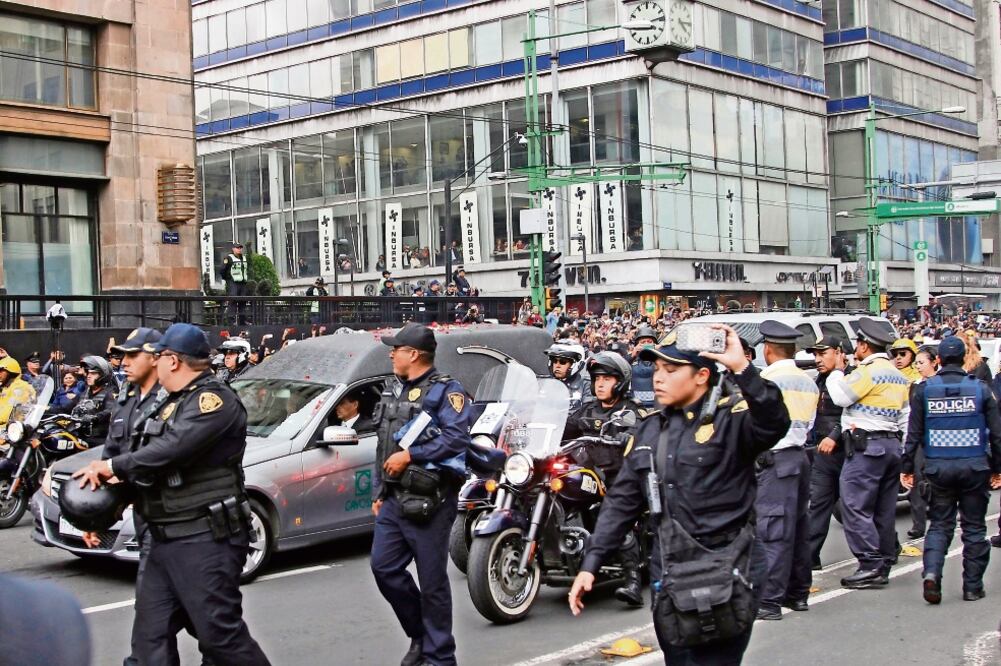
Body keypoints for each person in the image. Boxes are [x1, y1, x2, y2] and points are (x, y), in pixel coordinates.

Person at [569, 324, 791, 664]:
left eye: (671, 370)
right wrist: (592, 562)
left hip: (726, 567)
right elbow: (623, 501)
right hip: (670, 572)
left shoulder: (731, 420)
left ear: (701, 375)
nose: (659, 378)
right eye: (657, 369)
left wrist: (742, 369)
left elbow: (774, 421)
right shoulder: (650, 429)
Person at [72, 323, 271, 666]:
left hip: (205, 538)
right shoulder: (167, 405)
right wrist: (100, 515)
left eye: (157, 355)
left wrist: (112, 467)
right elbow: (149, 473)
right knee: (150, 643)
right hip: (163, 538)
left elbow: (171, 449)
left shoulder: (214, 401)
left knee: (220, 638)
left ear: (172, 360)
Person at [370, 322, 471, 666]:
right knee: (384, 569)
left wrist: (412, 455)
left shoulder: (447, 391)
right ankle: (420, 635)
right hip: (394, 500)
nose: (391, 353)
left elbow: (457, 439)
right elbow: (383, 444)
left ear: (413, 354)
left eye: (396, 348)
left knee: (432, 583)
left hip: (431, 501)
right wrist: (379, 490)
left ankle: (440, 656)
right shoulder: (392, 389)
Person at [901, 335, 1001, 604]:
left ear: (939, 360)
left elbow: (914, 433)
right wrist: (997, 468)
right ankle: (972, 587)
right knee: (974, 529)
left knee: (940, 525)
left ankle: (932, 573)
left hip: (938, 469)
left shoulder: (924, 391)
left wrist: (907, 466)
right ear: (963, 359)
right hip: (974, 467)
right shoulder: (980, 389)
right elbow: (997, 435)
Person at [826, 318, 910, 589]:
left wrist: (837, 371)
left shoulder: (868, 371)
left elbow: (841, 397)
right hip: (891, 446)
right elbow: (905, 417)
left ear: (864, 346)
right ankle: (884, 560)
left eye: (857, 346)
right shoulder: (898, 374)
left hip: (867, 448)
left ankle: (870, 564)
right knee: (883, 510)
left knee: (853, 505)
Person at [565, 352, 646, 606]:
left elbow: (640, 430)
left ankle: (632, 580)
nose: (600, 384)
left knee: (614, 513)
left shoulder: (631, 410)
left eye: (607, 378)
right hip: (589, 474)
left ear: (620, 382)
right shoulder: (587, 410)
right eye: (597, 378)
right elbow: (563, 426)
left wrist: (627, 437)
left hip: (620, 477)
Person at [754, 321, 819, 620]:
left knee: (773, 531)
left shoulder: (767, 380)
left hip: (774, 460)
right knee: (798, 528)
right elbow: (811, 425)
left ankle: (769, 600)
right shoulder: (808, 381)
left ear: (767, 349)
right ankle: (798, 593)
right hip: (799, 457)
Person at [806, 335, 849, 570]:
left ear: (839, 353)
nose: (818, 359)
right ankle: (810, 558)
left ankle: (887, 548)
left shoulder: (851, 377)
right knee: (818, 506)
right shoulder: (819, 380)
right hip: (823, 455)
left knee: (857, 507)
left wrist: (835, 436)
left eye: (823, 354)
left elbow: (854, 414)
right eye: (815, 355)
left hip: (848, 452)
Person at [71, 356, 117, 443]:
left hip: (98, 439)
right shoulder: (85, 392)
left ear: (103, 375)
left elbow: (111, 409)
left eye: (93, 373)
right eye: (88, 373)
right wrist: (46, 408)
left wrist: (95, 417)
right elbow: (68, 406)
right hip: (81, 436)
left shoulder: (109, 392)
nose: (88, 376)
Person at [544, 343, 591, 409]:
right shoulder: (545, 384)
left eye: (563, 362)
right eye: (554, 361)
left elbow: (588, 413)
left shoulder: (586, 386)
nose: (557, 366)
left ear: (575, 364)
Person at [0, 357, 36, 425]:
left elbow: (8, 414)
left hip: (14, 429)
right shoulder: (6, 388)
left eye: (1, 371)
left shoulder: (22, 387)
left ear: (11, 372)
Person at [221, 242, 250, 325]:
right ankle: (232, 321)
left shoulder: (244, 258)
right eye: (237, 248)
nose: (239, 249)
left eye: (240, 248)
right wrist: (227, 278)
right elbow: (222, 270)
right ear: (233, 249)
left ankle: (243, 321)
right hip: (233, 282)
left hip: (243, 282)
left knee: (243, 301)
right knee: (233, 300)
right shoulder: (229, 258)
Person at [629, 326, 659, 409]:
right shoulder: (631, 358)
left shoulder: (661, 358)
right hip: (636, 405)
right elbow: (621, 369)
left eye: (649, 342)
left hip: (657, 405)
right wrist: (632, 356)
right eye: (643, 342)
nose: (646, 344)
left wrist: (655, 349)